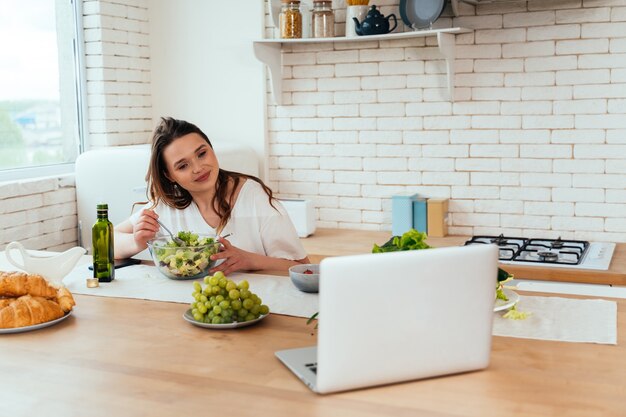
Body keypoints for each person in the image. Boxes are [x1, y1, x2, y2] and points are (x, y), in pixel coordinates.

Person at [114, 117, 310, 275]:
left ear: (211, 149)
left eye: (202, 153)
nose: (198, 168)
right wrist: (136, 242)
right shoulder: (165, 206)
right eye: (183, 166)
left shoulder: (253, 197)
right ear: (169, 175)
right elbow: (106, 243)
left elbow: (303, 268)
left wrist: (249, 260)